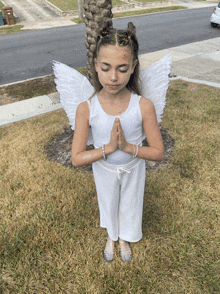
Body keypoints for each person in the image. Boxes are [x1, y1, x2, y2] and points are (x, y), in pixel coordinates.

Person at [71, 21, 164, 262]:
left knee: (130, 205)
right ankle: (111, 236)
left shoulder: (143, 106)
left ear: (134, 67)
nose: (113, 77)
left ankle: (125, 237)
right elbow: (76, 158)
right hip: (104, 170)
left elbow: (158, 152)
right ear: (95, 66)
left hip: (133, 170)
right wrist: (109, 149)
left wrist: (127, 148)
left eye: (122, 69)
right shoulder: (86, 109)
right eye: (106, 67)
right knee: (109, 203)